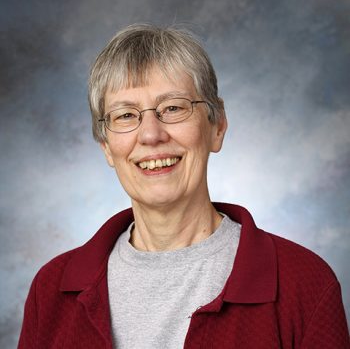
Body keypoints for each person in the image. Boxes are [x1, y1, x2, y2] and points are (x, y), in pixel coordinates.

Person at [18, 24, 349, 349]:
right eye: (125, 116)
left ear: (217, 126)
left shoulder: (305, 284)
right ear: (106, 146)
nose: (151, 135)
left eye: (173, 108)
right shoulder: (50, 291)